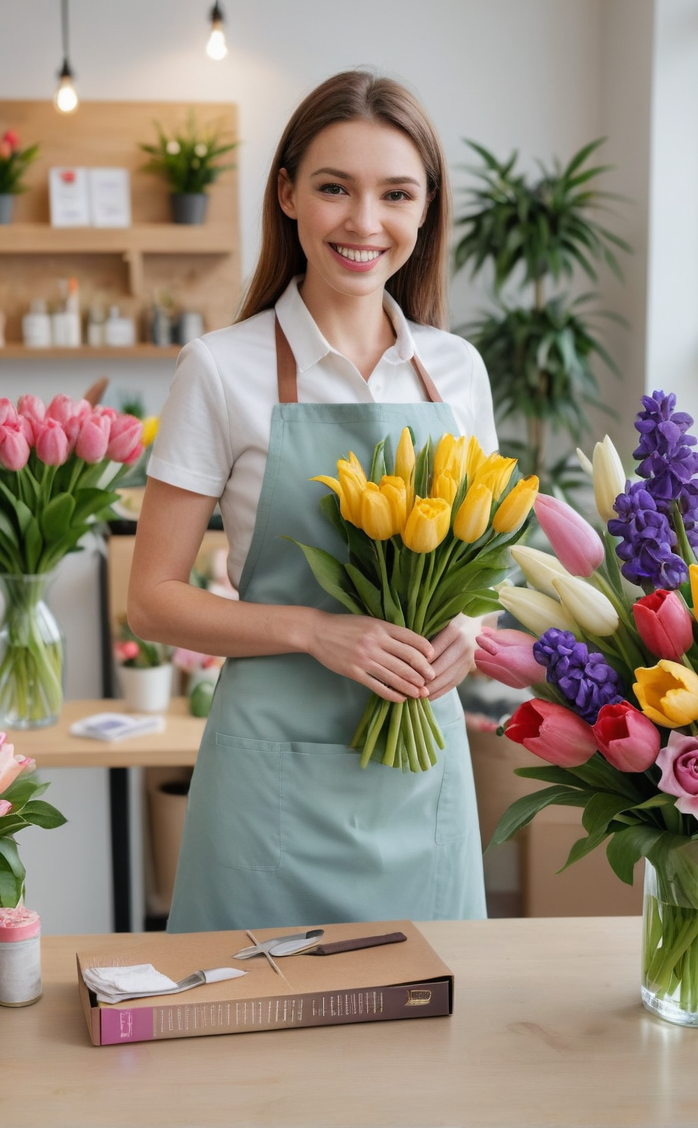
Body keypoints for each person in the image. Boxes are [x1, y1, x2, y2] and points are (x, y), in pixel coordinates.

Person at [128, 69, 499, 933]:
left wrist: (473, 634)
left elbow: (487, 569)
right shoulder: (220, 369)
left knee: (430, 1052)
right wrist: (314, 631)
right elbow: (152, 601)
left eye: (395, 194)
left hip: (422, 770)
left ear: (425, 210)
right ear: (289, 194)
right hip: (270, 790)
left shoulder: (457, 372)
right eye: (335, 188)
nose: (364, 223)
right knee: (256, 1047)